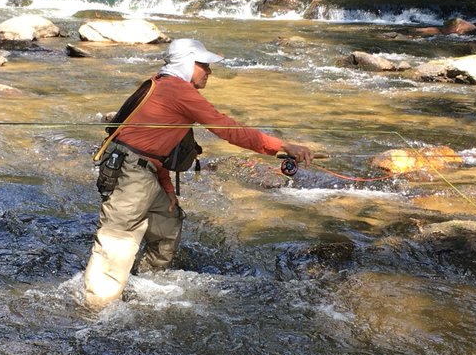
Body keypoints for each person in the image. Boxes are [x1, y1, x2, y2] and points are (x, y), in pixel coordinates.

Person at [83, 37, 314, 307]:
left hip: (143, 173)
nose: (209, 71)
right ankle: (95, 311)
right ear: (187, 63)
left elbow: (151, 149)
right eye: (204, 65)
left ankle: (145, 284)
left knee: (168, 224)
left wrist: (167, 190)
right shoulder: (177, 90)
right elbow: (226, 128)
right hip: (131, 175)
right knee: (116, 241)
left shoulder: (162, 85)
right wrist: (282, 146)